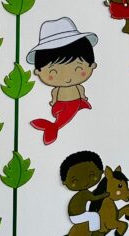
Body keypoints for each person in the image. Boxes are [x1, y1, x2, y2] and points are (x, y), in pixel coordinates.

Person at [27, 17, 98, 145]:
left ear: (92, 65)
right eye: (53, 72)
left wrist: (83, 98)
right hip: (63, 105)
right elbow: (55, 96)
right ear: (38, 72)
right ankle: (53, 128)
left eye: (78, 68)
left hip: (76, 103)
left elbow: (81, 92)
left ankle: (53, 128)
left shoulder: (77, 88)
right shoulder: (57, 90)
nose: (67, 78)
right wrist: (55, 103)